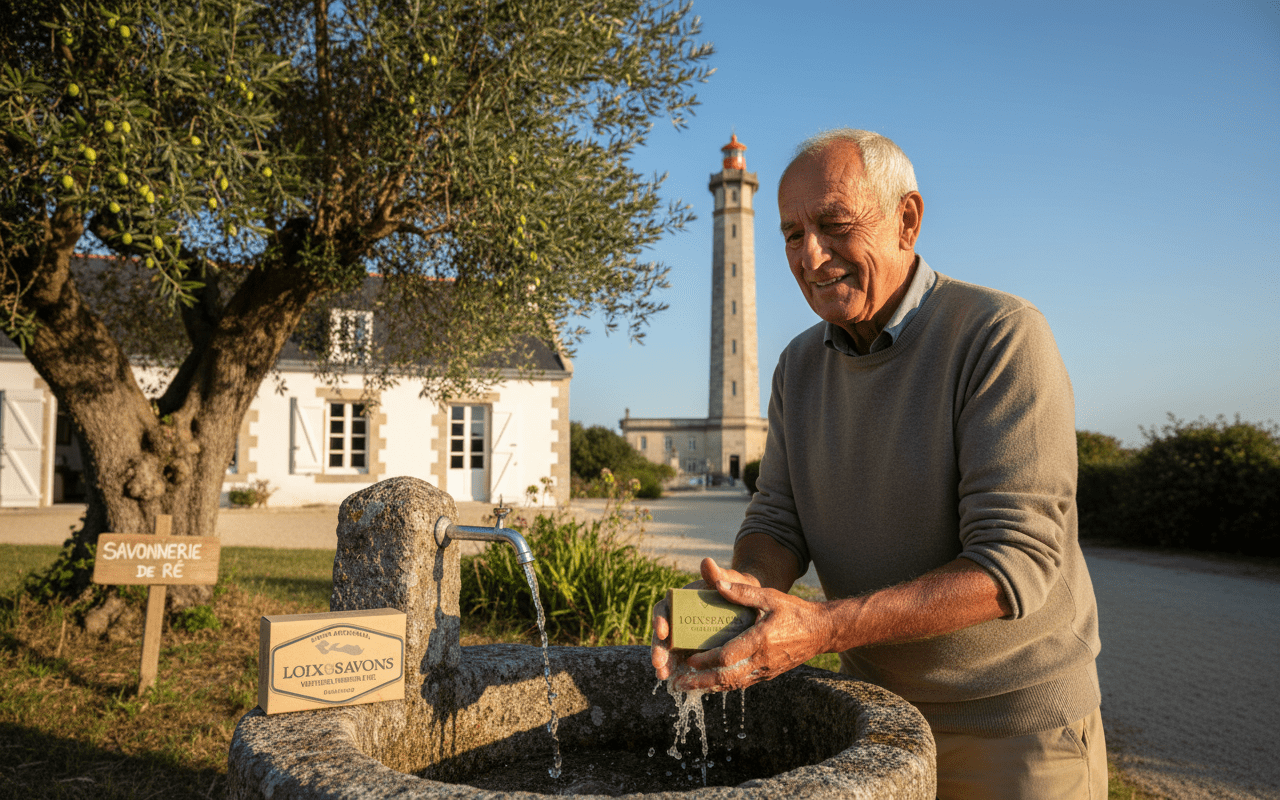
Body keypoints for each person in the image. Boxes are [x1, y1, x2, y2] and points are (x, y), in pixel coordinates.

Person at [651, 129, 1106, 799]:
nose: (811, 256)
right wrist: (727, 601)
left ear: (907, 220)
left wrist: (822, 629)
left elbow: (1015, 562)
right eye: (791, 234)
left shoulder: (1001, 335)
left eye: (834, 226)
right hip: (874, 723)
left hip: (1012, 732)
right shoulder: (797, 366)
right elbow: (778, 520)